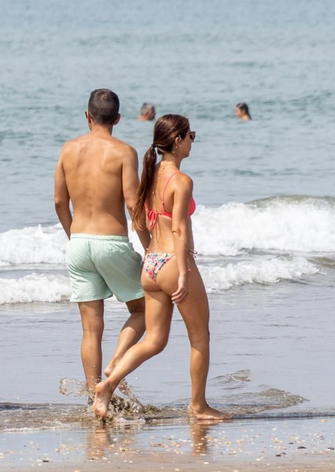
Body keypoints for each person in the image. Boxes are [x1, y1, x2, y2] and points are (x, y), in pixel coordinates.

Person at [93, 114, 223, 419]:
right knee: (200, 337)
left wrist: (150, 248)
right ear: (177, 141)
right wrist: (183, 273)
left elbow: (138, 218)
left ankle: (107, 384)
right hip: (173, 263)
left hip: (151, 264)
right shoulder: (181, 181)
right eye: (191, 135)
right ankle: (198, 406)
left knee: (154, 340)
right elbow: (178, 228)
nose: (194, 140)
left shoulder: (149, 177)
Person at [53, 88, 148, 392]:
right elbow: (133, 204)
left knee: (91, 330)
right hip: (111, 242)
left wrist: (74, 236)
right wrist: (151, 247)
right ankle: (115, 364)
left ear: (87, 116)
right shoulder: (124, 151)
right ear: (117, 118)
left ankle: (95, 395)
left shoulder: (68, 149)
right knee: (145, 309)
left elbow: (58, 202)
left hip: (79, 243)